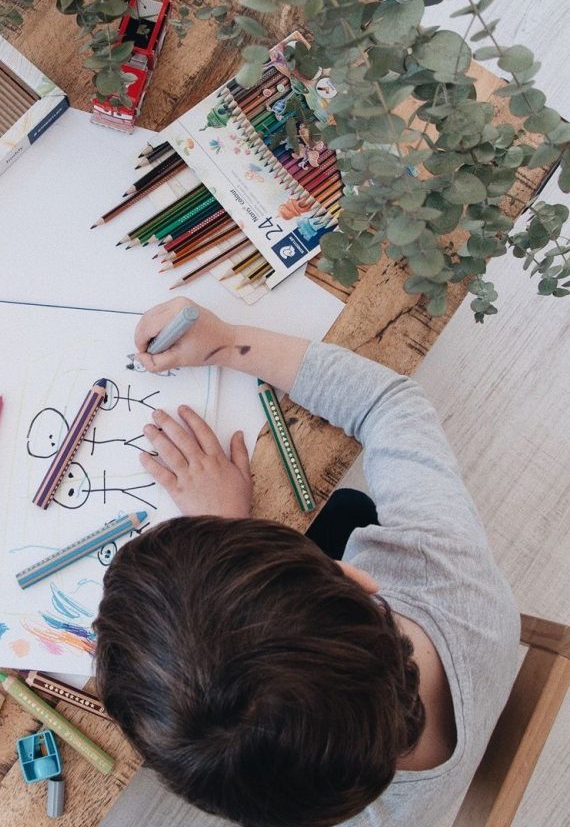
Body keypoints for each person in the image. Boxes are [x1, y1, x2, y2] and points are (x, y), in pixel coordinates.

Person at [94, 297, 520, 827]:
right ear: (354, 576)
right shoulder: (447, 571)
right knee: (347, 508)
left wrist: (231, 527)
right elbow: (390, 405)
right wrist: (228, 341)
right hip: (474, 650)